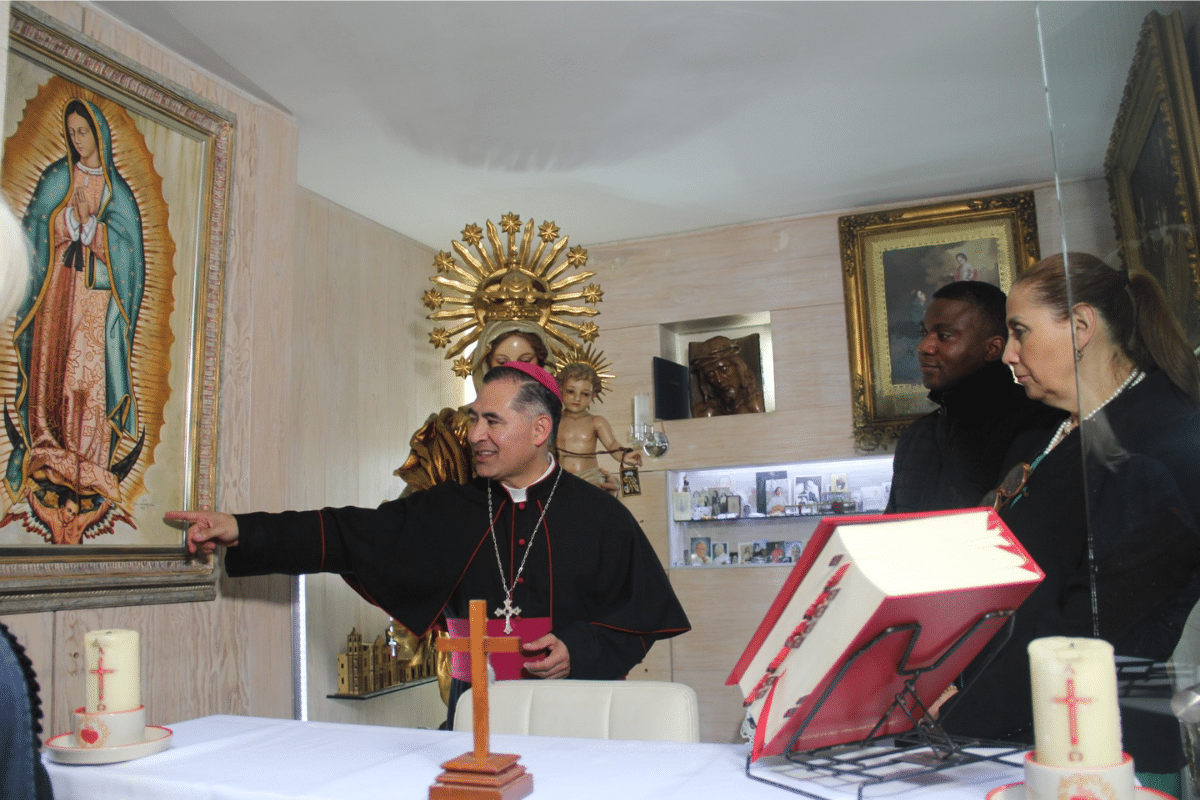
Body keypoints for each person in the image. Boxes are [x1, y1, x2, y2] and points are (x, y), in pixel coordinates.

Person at [169, 361, 690, 726]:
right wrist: (242, 527)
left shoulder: (602, 517)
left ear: (539, 429)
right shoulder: (452, 507)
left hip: (577, 722)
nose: (475, 435)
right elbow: (349, 533)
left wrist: (579, 649)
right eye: (473, 420)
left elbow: (639, 621)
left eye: (492, 421)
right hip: (473, 719)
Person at [942, 254, 1200, 787]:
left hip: (1101, 756)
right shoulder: (1048, 434)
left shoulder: (1164, 443)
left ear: (1081, 326)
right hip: (1014, 735)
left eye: (1020, 332)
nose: (1009, 353)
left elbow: (1092, 631)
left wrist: (958, 708)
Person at [6, 98, 146, 545]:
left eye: (83, 132)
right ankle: (47, 443)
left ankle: (87, 455)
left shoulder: (116, 192)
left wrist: (99, 232)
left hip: (94, 296)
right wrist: (66, 220)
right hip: (57, 290)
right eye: (71, 133)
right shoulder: (57, 178)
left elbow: (132, 259)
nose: (76, 140)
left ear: (98, 134)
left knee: (85, 375)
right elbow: (33, 228)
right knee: (51, 366)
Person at [886, 281, 1063, 513]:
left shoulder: (1042, 424)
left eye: (944, 335)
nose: (924, 346)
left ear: (993, 348)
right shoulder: (916, 436)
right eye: (924, 333)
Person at [556, 362, 639, 493]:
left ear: (593, 395)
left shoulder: (596, 422)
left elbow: (612, 445)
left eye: (585, 394)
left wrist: (625, 457)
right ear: (560, 388)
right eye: (571, 391)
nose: (577, 398)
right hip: (561, 479)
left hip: (591, 478)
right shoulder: (554, 419)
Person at [689, 335, 766, 417]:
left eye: (724, 370)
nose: (719, 380)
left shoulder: (754, 407)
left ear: (738, 367)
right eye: (711, 375)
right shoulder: (704, 412)